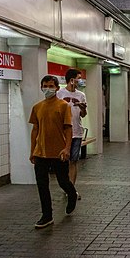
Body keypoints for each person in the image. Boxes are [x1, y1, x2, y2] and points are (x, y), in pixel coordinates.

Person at [29, 75, 78, 229]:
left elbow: (68, 128)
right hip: (40, 152)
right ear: (41, 87)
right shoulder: (37, 107)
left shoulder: (63, 106)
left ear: (57, 88)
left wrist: (67, 148)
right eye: (45, 86)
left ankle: (72, 194)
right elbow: (35, 129)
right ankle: (47, 215)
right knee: (42, 185)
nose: (48, 89)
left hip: (59, 152)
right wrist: (32, 151)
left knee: (63, 181)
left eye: (51, 86)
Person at [57, 68, 87, 200]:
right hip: (62, 133)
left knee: (73, 161)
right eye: (78, 78)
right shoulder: (59, 94)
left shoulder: (81, 95)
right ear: (71, 80)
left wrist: (82, 108)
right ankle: (66, 186)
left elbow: (84, 115)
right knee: (63, 161)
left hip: (77, 132)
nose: (80, 81)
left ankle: (71, 189)